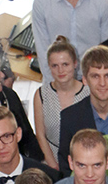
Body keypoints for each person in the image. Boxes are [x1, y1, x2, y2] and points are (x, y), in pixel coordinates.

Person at [58, 44, 108, 174]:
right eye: (95, 76)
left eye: (107, 76)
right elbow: (66, 167)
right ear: (84, 80)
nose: (102, 83)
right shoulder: (70, 117)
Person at [33, 35, 90, 169]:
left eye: (65, 64)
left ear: (75, 64)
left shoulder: (89, 93)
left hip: (85, 160)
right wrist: (54, 166)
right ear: (49, 67)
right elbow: (40, 135)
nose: (60, 70)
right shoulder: (41, 94)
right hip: (52, 159)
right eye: (55, 66)